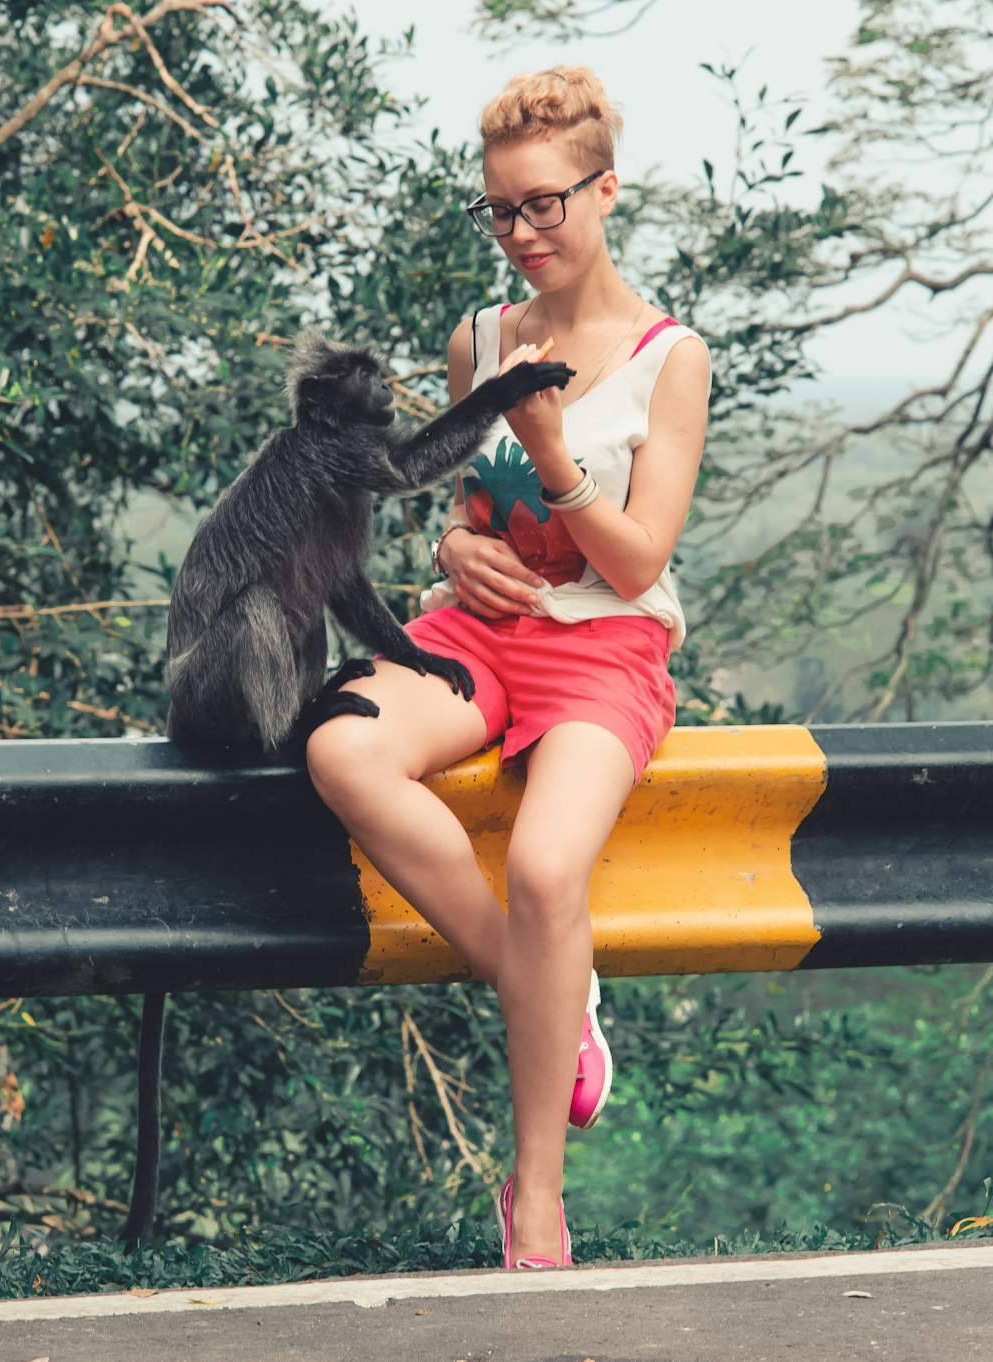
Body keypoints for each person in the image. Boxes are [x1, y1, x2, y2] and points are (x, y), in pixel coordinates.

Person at [306, 65, 711, 1269]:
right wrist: (450, 544)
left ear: (604, 193)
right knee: (341, 746)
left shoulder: (664, 357)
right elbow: (467, 506)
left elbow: (637, 565)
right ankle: (551, 992)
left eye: (544, 206)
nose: (521, 233)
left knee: (545, 872)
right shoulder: (479, 337)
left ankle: (534, 1200)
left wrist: (555, 453)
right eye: (499, 211)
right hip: (483, 630)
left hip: (603, 646)